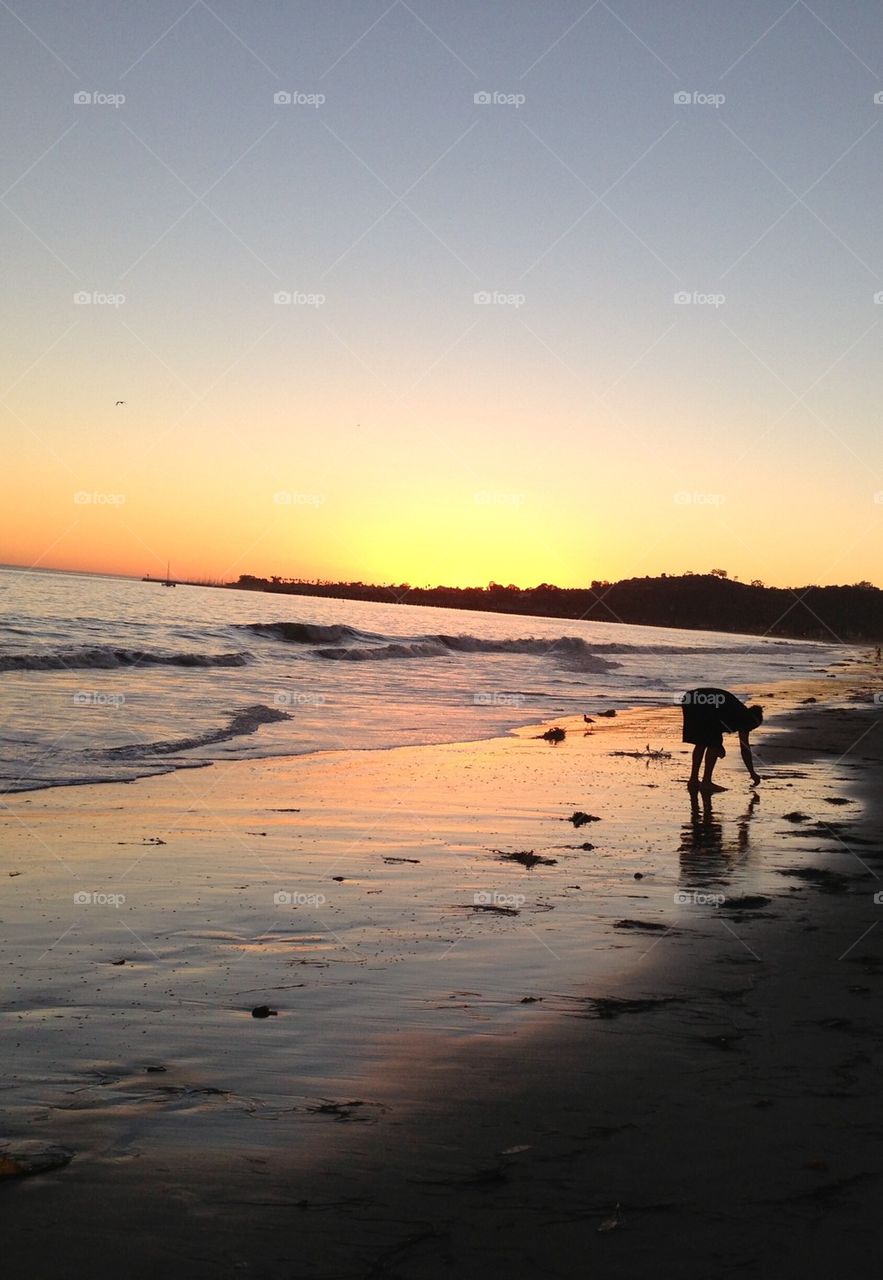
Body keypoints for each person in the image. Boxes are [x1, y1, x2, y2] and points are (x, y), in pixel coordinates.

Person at [680, 688, 763, 793]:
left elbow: (744, 748)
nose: (749, 730)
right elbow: (745, 750)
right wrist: (719, 746)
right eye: (752, 727)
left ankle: (693, 780)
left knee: (702, 742)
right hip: (702, 704)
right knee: (713, 744)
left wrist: (752, 773)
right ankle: (706, 782)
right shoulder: (741, 716)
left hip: (690, 699)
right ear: (752, 719)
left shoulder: (742, 715)